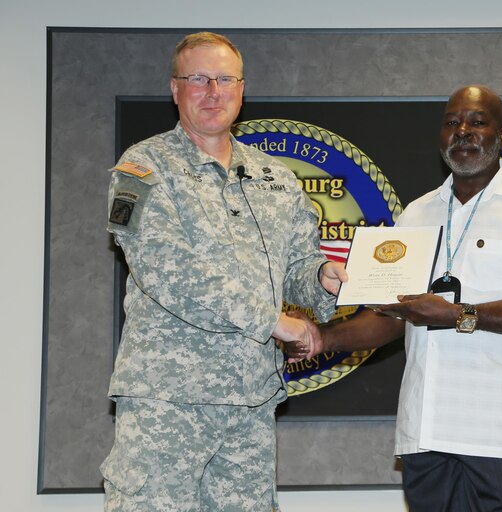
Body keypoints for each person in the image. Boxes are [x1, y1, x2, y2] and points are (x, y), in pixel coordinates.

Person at [294, 85, 502, 511]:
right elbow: (393, 317)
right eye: (451, 122)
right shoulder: (417, 213)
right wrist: (322, 338)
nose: (462, 131)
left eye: (477, 121)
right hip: (426, 435)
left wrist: (458, 314)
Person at [100, 32, 346, 511]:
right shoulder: (141, 168)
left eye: (225, 79)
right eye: (198, 79)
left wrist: (321, 279)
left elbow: (297, 262)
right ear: (175, 89)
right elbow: (167, 270)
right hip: (167, 403)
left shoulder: (275, 175)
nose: (213, 91)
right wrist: (271, 321)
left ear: (242, 88)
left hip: (252, 402)